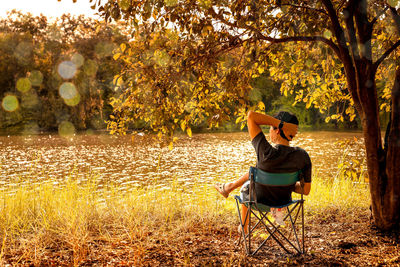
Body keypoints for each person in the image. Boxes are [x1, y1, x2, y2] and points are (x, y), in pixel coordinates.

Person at [214, 110, 312, 232]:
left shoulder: (266, 152)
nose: (269, 131)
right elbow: (305, 190)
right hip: (283, 202)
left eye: (271, 128)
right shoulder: (302, 156)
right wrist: (286, 184)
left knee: (248, 184)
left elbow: (251, 116)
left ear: (277, 129)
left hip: (258, 201)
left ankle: (243, 227)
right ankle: (228, 187)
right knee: (254, 172)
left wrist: (281, 124)